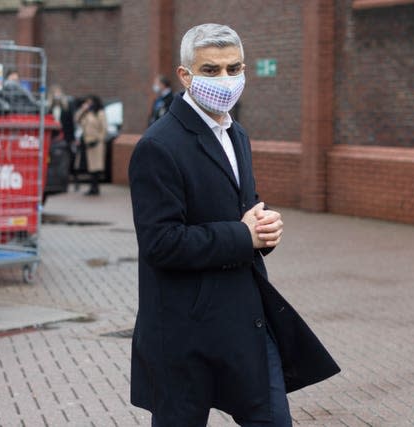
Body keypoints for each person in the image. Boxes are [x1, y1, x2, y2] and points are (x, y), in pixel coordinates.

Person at [128, 23, 340, 427]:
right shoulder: (157, 146)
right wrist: (244, 234)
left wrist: (262, 233)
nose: (225, 80)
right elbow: (160, 243)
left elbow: (241, 213)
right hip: (183, 332)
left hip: (244, 322)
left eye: (234, 68)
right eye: (211, 70)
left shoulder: (236, 133)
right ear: (185, 75)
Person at [74, 94, 107, 195]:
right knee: (89, 166)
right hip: (87, 142)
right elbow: (77, 119)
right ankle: (92, 187)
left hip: (96, 143)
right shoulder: (87, 113)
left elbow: (104, 129)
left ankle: (95, 188)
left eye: (90, 102)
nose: (88, 104)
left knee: (96, 167)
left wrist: (99, 139)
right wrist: (82, 110)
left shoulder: (100, 113)